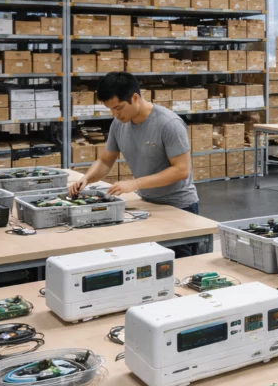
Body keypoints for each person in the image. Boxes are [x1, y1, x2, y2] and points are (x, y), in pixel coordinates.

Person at [70, 72, 201, 256]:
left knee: (180, 266)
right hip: (146, 204)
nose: (116, 114)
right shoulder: (118, 124)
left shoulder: (169, 124)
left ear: (135, 97)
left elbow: (181, 170)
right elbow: (105, 160)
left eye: (119, 107)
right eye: (111, 109)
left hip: (178, 207)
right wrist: (87, 179)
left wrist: (135, 183)